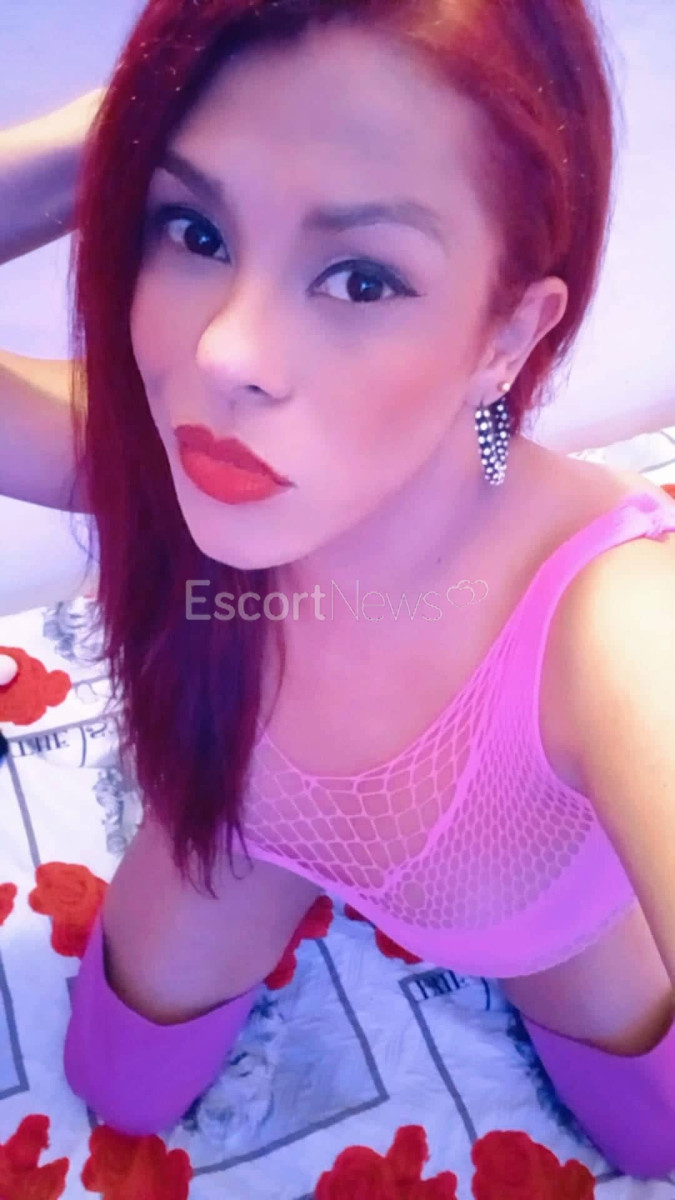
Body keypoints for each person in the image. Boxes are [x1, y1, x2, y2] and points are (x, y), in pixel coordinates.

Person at [2, 0, 675, 1178]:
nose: (226, 355)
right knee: (120, 1085)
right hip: (244, 824)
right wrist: (121, 124)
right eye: (194, 229)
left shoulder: (613, 620)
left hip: (522, 905)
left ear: (507, 336)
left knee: (658, 1133)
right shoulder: (190, 455)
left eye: (362, 279)